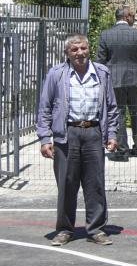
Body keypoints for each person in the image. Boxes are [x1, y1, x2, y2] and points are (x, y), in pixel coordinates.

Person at [36, 35, 120, 246]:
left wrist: (111, 134)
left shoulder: (102, 72)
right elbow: (45, 107)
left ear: (89, 49)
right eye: (74, 50)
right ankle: (65, 229)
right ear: (67, 53)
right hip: (67, 134)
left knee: (95, 184)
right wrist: (45, 138)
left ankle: (96, 229)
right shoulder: (56, 74)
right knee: (66, 184)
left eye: (83, 48)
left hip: (94, 132)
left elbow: (111, 106)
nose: (80, 53)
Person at [97, 6, 137, 160]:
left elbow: (100, 61)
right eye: (133, 16)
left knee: (118, 113)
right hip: (136, 80)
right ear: (126, 17)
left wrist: (101, 83)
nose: (134, 18)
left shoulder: (106, 35)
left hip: (114, 80)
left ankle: (122, 150)